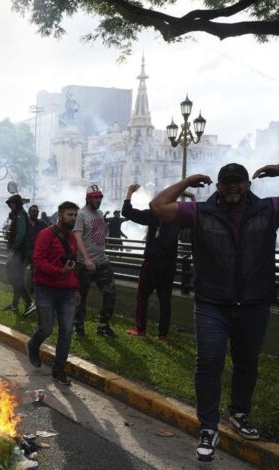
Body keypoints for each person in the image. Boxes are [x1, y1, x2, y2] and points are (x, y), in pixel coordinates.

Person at [150, 162, 279, 462]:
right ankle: (208, 427)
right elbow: (158, 206)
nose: (232, 187)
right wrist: (189, 180)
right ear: (218, 186)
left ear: (248, 184)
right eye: (227, 182)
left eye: (238, 182)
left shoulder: (268, 210)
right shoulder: (200, 213)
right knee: (209, 363)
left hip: (254, 303)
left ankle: (239, 413)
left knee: (247, 363)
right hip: (212, 304)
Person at [123, 184, 187, 340]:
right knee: (165, 299)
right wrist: (190, 199)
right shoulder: (178, 216)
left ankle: (141, 329)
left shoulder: (154, 214)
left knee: (142, 296)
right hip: (170, 264)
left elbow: (127, 212)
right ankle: (163, 334)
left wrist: (130, 192)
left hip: (153, 262)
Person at [27, 201, 80, 385]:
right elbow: (38, 261)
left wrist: (76, 288)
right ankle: (33, 345)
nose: (72, 218)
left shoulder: (72, 239)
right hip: (46, 289)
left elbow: (73, 266)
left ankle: (58, 369)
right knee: (46, 329)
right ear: (60, 214)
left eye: (74, 215)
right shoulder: (46, 235)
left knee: (66, 332)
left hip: (67, 292)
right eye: (69, 215)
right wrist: (59, 272)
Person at [73, 184, 117, 339]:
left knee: (110, 292)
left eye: (100, 197)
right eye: (95, 197)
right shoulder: (81, 215)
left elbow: (99, 232)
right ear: (88, 199)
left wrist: (104, 243)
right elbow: (77, 236)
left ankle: (103, 326)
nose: (99, 200)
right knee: (80, 297)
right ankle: (78, 326)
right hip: (84, 264)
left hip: (101, 261)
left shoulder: (99, 213)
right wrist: (86, 259)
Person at [3, 195, 36, 316]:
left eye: (12, 203)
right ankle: (15, 304)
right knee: (16, 279)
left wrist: (13, 249)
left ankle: (28, 302)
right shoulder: (18, 215)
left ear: (17, 203)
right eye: (9, 203)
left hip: (19, 253)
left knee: (14, 278)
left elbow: (21, 233)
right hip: (18, 252)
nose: (11, 205)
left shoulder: (20, 215)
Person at [24, 205, 50, 295]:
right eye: (33, 211)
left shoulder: (42, 224)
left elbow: (50, 231)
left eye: (37, 211)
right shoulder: (24, 223)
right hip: (25, 251)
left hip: (37, 252)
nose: (35, 213)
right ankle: (20, 288)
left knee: (34, 272)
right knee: (19, 271)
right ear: (29, 212)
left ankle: (32, 290)